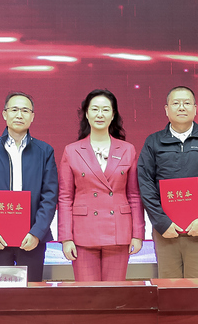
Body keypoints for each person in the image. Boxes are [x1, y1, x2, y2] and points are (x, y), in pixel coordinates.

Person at [137, 86, 198, 278]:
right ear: (166, 109)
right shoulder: (153, 142)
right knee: (170, 290)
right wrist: (162, 222)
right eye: (176, 103)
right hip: (166, 233)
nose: (181, 107)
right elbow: (145, 185)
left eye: (187, 103)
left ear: (195, 108)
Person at [0, 92, 58, 282]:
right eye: (14, 109)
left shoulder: (45, 151)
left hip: (31, 239)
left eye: (25, 111)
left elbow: (49, 196)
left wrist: (37, 233)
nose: (19, 115)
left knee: (31, 294)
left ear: (32, 116)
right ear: (5, 114)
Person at [58, 89, 145, 281]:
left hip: (119, 232)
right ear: (86, 114)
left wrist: (138, 234)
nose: (100, 114)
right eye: (95, 109)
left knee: (114, 294)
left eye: (105, 110)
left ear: (113, 115)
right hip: (83, 233)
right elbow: (65, 197)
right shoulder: (72, 151)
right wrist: (66, 238)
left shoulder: (127, 149)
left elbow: (134, 195)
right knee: (87, 294)